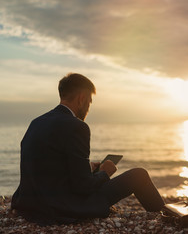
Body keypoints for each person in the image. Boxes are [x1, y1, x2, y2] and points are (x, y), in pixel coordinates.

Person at [11, 73, 165, 225]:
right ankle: (166, 216)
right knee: (139, 175)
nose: (88, 108)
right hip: (62, 208)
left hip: (30, 206)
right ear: (82, 99)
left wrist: (87, 168)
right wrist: (105, 173)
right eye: (90, 102)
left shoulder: (36, 123)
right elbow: (83, 187)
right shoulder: (77, 126)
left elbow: (47, 167)